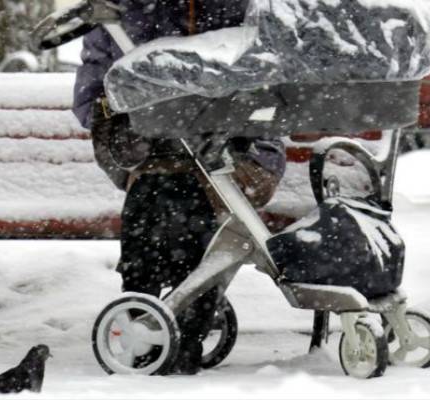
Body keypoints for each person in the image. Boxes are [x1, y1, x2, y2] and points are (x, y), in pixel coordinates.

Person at [73, 0, 286, 374]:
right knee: (165, 190)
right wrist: (133, 109)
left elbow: (271, 95)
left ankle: (155, 314)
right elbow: (90, 102)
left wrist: (215, 114)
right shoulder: (120, 12)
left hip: (240, 155)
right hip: (153, 159)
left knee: (179, 192)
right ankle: (170, 315)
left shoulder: (248, 10)